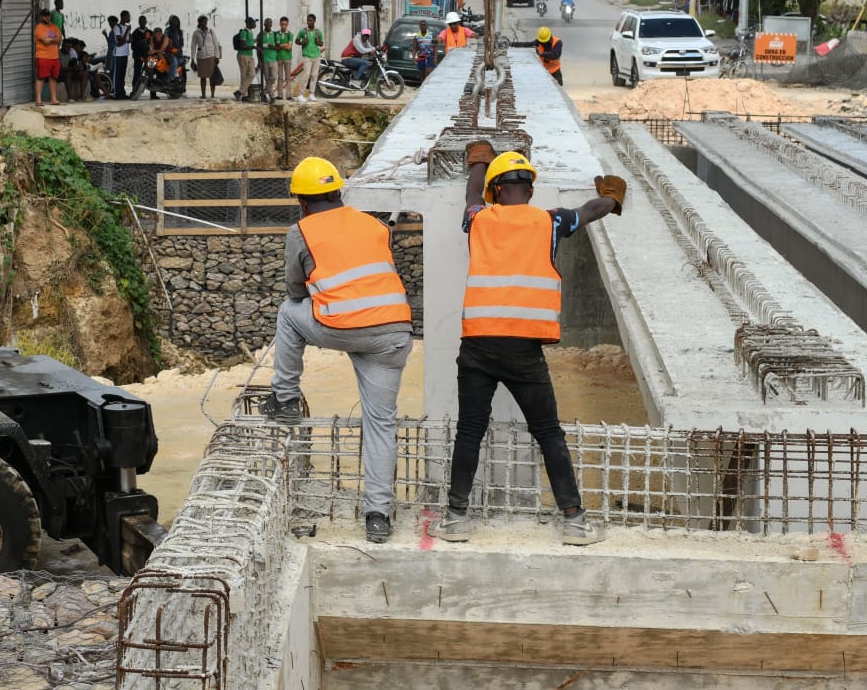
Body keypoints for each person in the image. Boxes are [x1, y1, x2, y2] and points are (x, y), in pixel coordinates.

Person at [428, 147, 626, 547]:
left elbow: (470, 196)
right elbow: (590, 211)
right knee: (548, 433)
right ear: (530, 191)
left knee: (469, 431)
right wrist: (612, 197)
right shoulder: (549, 222)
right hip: (524, 350)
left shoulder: (479, 218)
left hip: (478, 344)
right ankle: (574, 521)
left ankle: (455, 518)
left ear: (495, 191)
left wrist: (478, 164)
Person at [259, 157, 412, 544]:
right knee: (381, 423)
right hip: (393, 333)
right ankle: (378, 515)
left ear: (302, 202)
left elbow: (295, 291)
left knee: (288, 313)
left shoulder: (302, 230)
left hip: (339, 326)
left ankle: (286, 399)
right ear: (339, 192)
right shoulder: (374, 224)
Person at [291, 13, 324, 102]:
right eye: (308, 20)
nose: (308, 22)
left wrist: (318, 42)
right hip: (307, 56)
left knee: (314, 75)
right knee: (306, 75)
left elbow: (321, 43)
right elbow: (296, 41)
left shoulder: (318, 32)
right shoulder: (303, 31)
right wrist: (303, 42)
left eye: (310, 20)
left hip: (316, 55)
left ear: (314, 21)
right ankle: (300, 94)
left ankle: (311, 94)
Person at [33, 8, 62, 106]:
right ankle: (38, 100)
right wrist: (54, 39)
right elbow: (45, 41)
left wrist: (50, 39)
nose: (47, 17)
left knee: (53, 78)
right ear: (41, 17)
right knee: (41, 77)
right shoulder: (39, 28)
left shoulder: (54, 27)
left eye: (48, 15)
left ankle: (54, 99)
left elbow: (59, 39)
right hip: (43, 56)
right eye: (45, 15)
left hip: (54, 56)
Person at [191, 14, 222, 99]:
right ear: (199, 22)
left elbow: (216, 44)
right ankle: (203, 95)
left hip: (211, 56)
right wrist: (192, 59)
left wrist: (217, 56)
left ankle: (212, 94)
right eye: (203, 21)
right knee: (203, 77)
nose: (205, 23)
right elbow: (193, 46)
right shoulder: (196, 33)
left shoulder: (211, 32)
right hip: (201, 57)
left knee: (212, 77)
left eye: (206, 21)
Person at [233, 16, 258, 101]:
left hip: (249, 55)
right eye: (253, 22)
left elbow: (249, 41)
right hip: (243, 55)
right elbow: (243, 45)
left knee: (252, 74)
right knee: (244, 75)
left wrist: (255, 40)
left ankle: (240, 92)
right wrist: (254, 47)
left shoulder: (250, 32)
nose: (255, 24)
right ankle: (244, 95)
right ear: (248, 24)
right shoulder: (244, 32)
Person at [107, 12, 132, 99]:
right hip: (118, 54)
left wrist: (127, 34)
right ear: (123, 17)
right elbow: (120, 42)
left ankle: (122, 92)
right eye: (128, 17)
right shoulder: (116, 28)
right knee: (117, 75)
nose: (129, 18)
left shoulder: (126, 27)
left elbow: (129, 40)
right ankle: (116, 93)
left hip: (125, 53)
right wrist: (126, 32)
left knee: (122, 74)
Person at [271, 16, 294, 103]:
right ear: (280, 24)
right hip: (278, 58)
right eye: (282, 24)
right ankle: (280, 95)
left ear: (287, 24)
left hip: (288, 58)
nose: (284, 26)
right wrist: (284, 45)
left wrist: (282, 45)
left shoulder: (290, 34)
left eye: (285, 24)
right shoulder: (277, 34)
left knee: (288, 77)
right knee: (280, 77)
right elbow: (277, 47)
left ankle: (289, 95)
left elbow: (289, 48)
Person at [258, 17, 281, 104]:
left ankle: (263, 92)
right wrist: (259, 60)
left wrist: (273, 47)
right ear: (264, 24)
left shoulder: (275, 34)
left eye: (270, 23)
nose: (268, 25)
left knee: (274, 77)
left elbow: (278, 48)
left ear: (271, 25)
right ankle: (271, 97)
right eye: (267, 23)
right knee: (267, 79)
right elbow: (258, 49)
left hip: (273, 59)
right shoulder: (261, 34)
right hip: (264, 59)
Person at [130, 15, 151, 91]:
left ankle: (153, 93)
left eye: (143, 21)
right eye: (140, 21)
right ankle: (134, 90)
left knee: (150, 73)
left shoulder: (149, 32)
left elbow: (152, 43)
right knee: (137, 73)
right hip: (138, 55)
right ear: (139, 22)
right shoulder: (135, 33)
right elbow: (133, 46)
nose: (142, 22)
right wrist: (139, 43)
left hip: (148, 56)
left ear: (146, 22)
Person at [164, 15, 185, 84]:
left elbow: (182, 43)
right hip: (169, 53)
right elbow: (166, 40)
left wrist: (178, 49)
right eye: (173, 20)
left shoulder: (180, 31)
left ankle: (183, 88)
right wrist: (171, 48)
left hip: (179, 54)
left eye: (176, 20)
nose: (175, 22)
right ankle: (168, 81)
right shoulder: (167, 30)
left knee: (183, 69)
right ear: (170, 21)